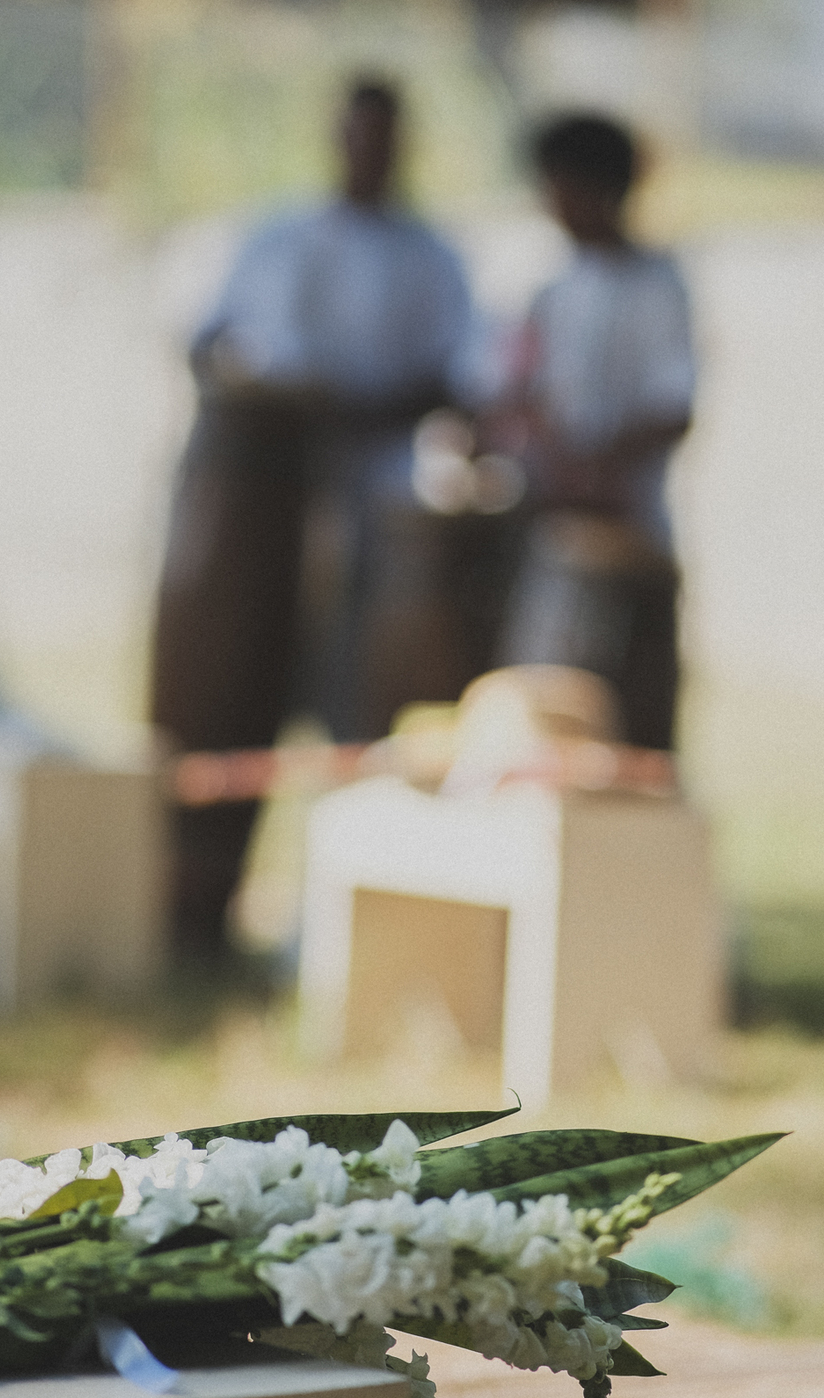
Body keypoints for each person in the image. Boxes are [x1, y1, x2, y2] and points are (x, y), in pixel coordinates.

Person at [151, 78, 471, 957]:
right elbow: (206, 344)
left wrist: (350, 415)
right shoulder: (275, 237)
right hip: (255, 515)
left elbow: (456, 379)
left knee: (357, 715)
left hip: (373, 515)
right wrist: (272, 401)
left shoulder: (430, 259)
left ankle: (340, 928)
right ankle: (197, 912)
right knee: (225, 710)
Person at [486, 114, 695, 750]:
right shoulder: (550, 290)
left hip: (630, 524)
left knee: (626, 708)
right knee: (539, 703)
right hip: (549, 518)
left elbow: (674, 406)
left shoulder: (657, 287)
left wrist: (599, 464)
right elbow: (515, 392)